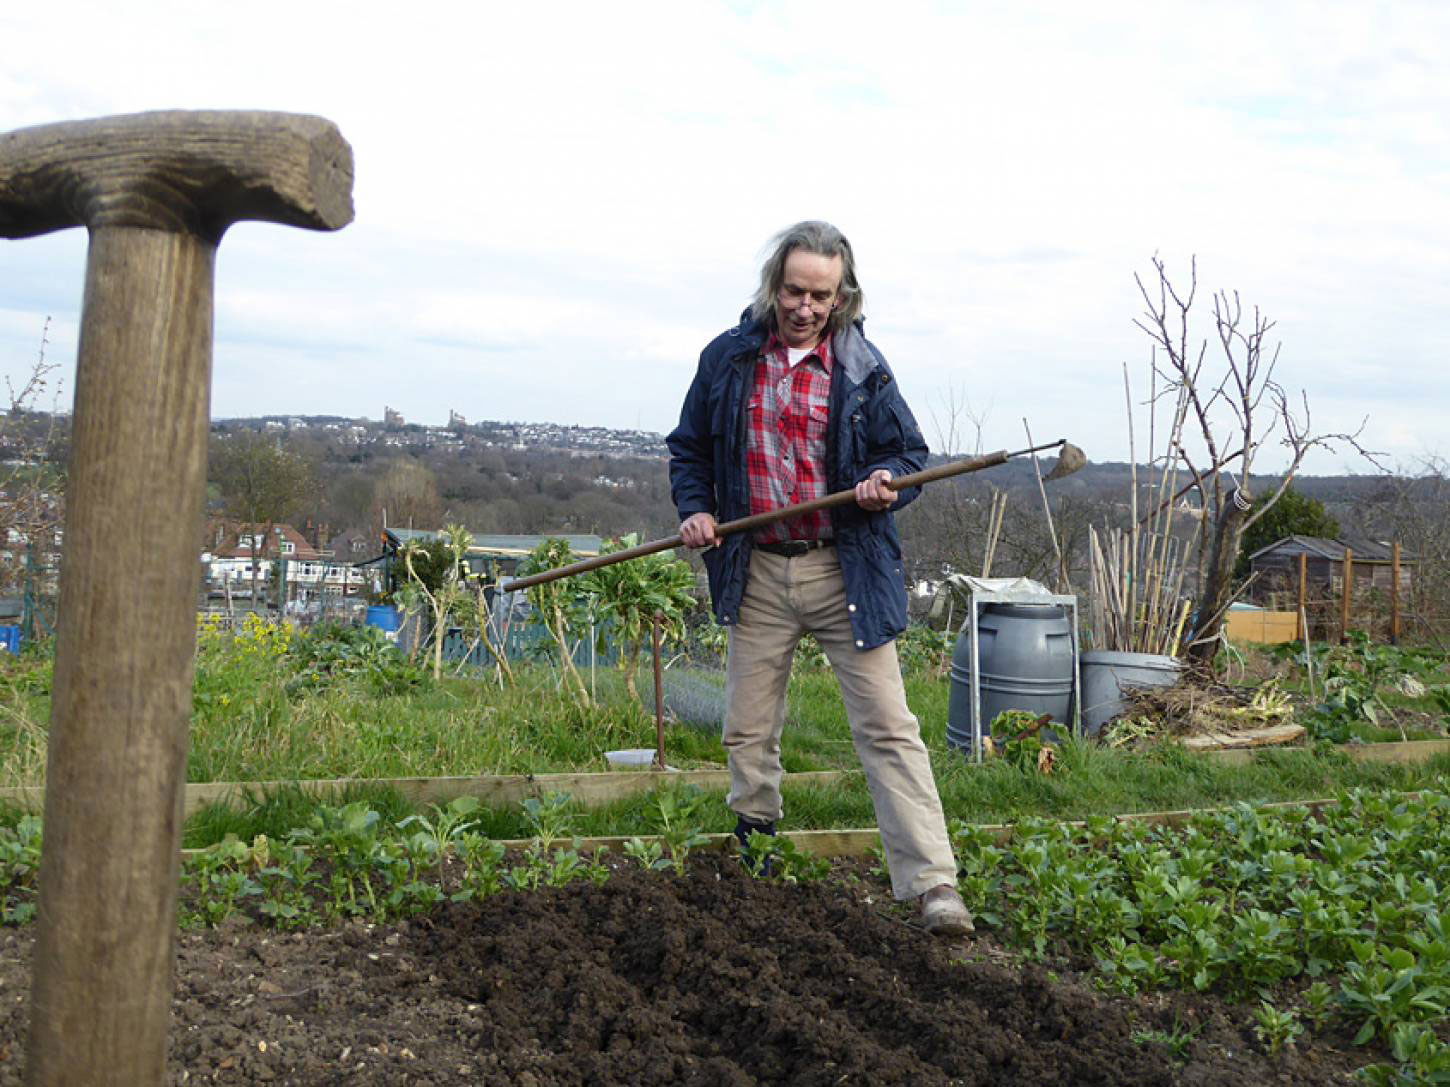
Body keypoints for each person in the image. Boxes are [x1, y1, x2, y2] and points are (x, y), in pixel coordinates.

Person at [666, 221, 972, 937]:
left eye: (821, 296)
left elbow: (909, 455)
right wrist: (697, 510)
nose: (805, 307)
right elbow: (690, 451)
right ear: (774, 285)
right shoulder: (728, 360)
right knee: (748, 727)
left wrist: (883, 481)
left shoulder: (864, 368)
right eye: (794, 291)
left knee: (888, 727)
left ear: (842, 297)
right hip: (758, 568)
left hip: (845, 571)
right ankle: (756, 857)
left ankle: (933, 883)